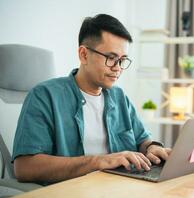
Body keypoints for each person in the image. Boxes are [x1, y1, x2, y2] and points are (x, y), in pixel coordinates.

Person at [12, 14, 171, 184]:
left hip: (121, 189)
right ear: (84, 55)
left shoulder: (119, 98)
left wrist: (153, 147)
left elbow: (142, 140)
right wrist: (98, 161)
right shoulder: (44, 96)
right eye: (111, 58)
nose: (117, 68)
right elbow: (24, 168)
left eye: (122, 60)